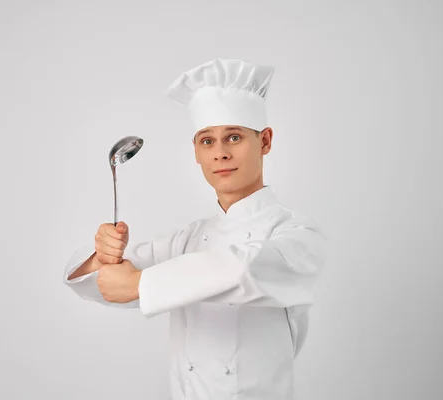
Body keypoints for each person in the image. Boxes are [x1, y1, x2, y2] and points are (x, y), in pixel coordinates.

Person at [63, 58, 328, 400]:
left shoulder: (298, 233)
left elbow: (245, 270)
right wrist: (102, 258)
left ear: (265, 141)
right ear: (196, 153)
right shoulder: (188, 239)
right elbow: (100, 286)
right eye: (207, 141)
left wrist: (141, 283)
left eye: (234, 137)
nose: (220, 154)